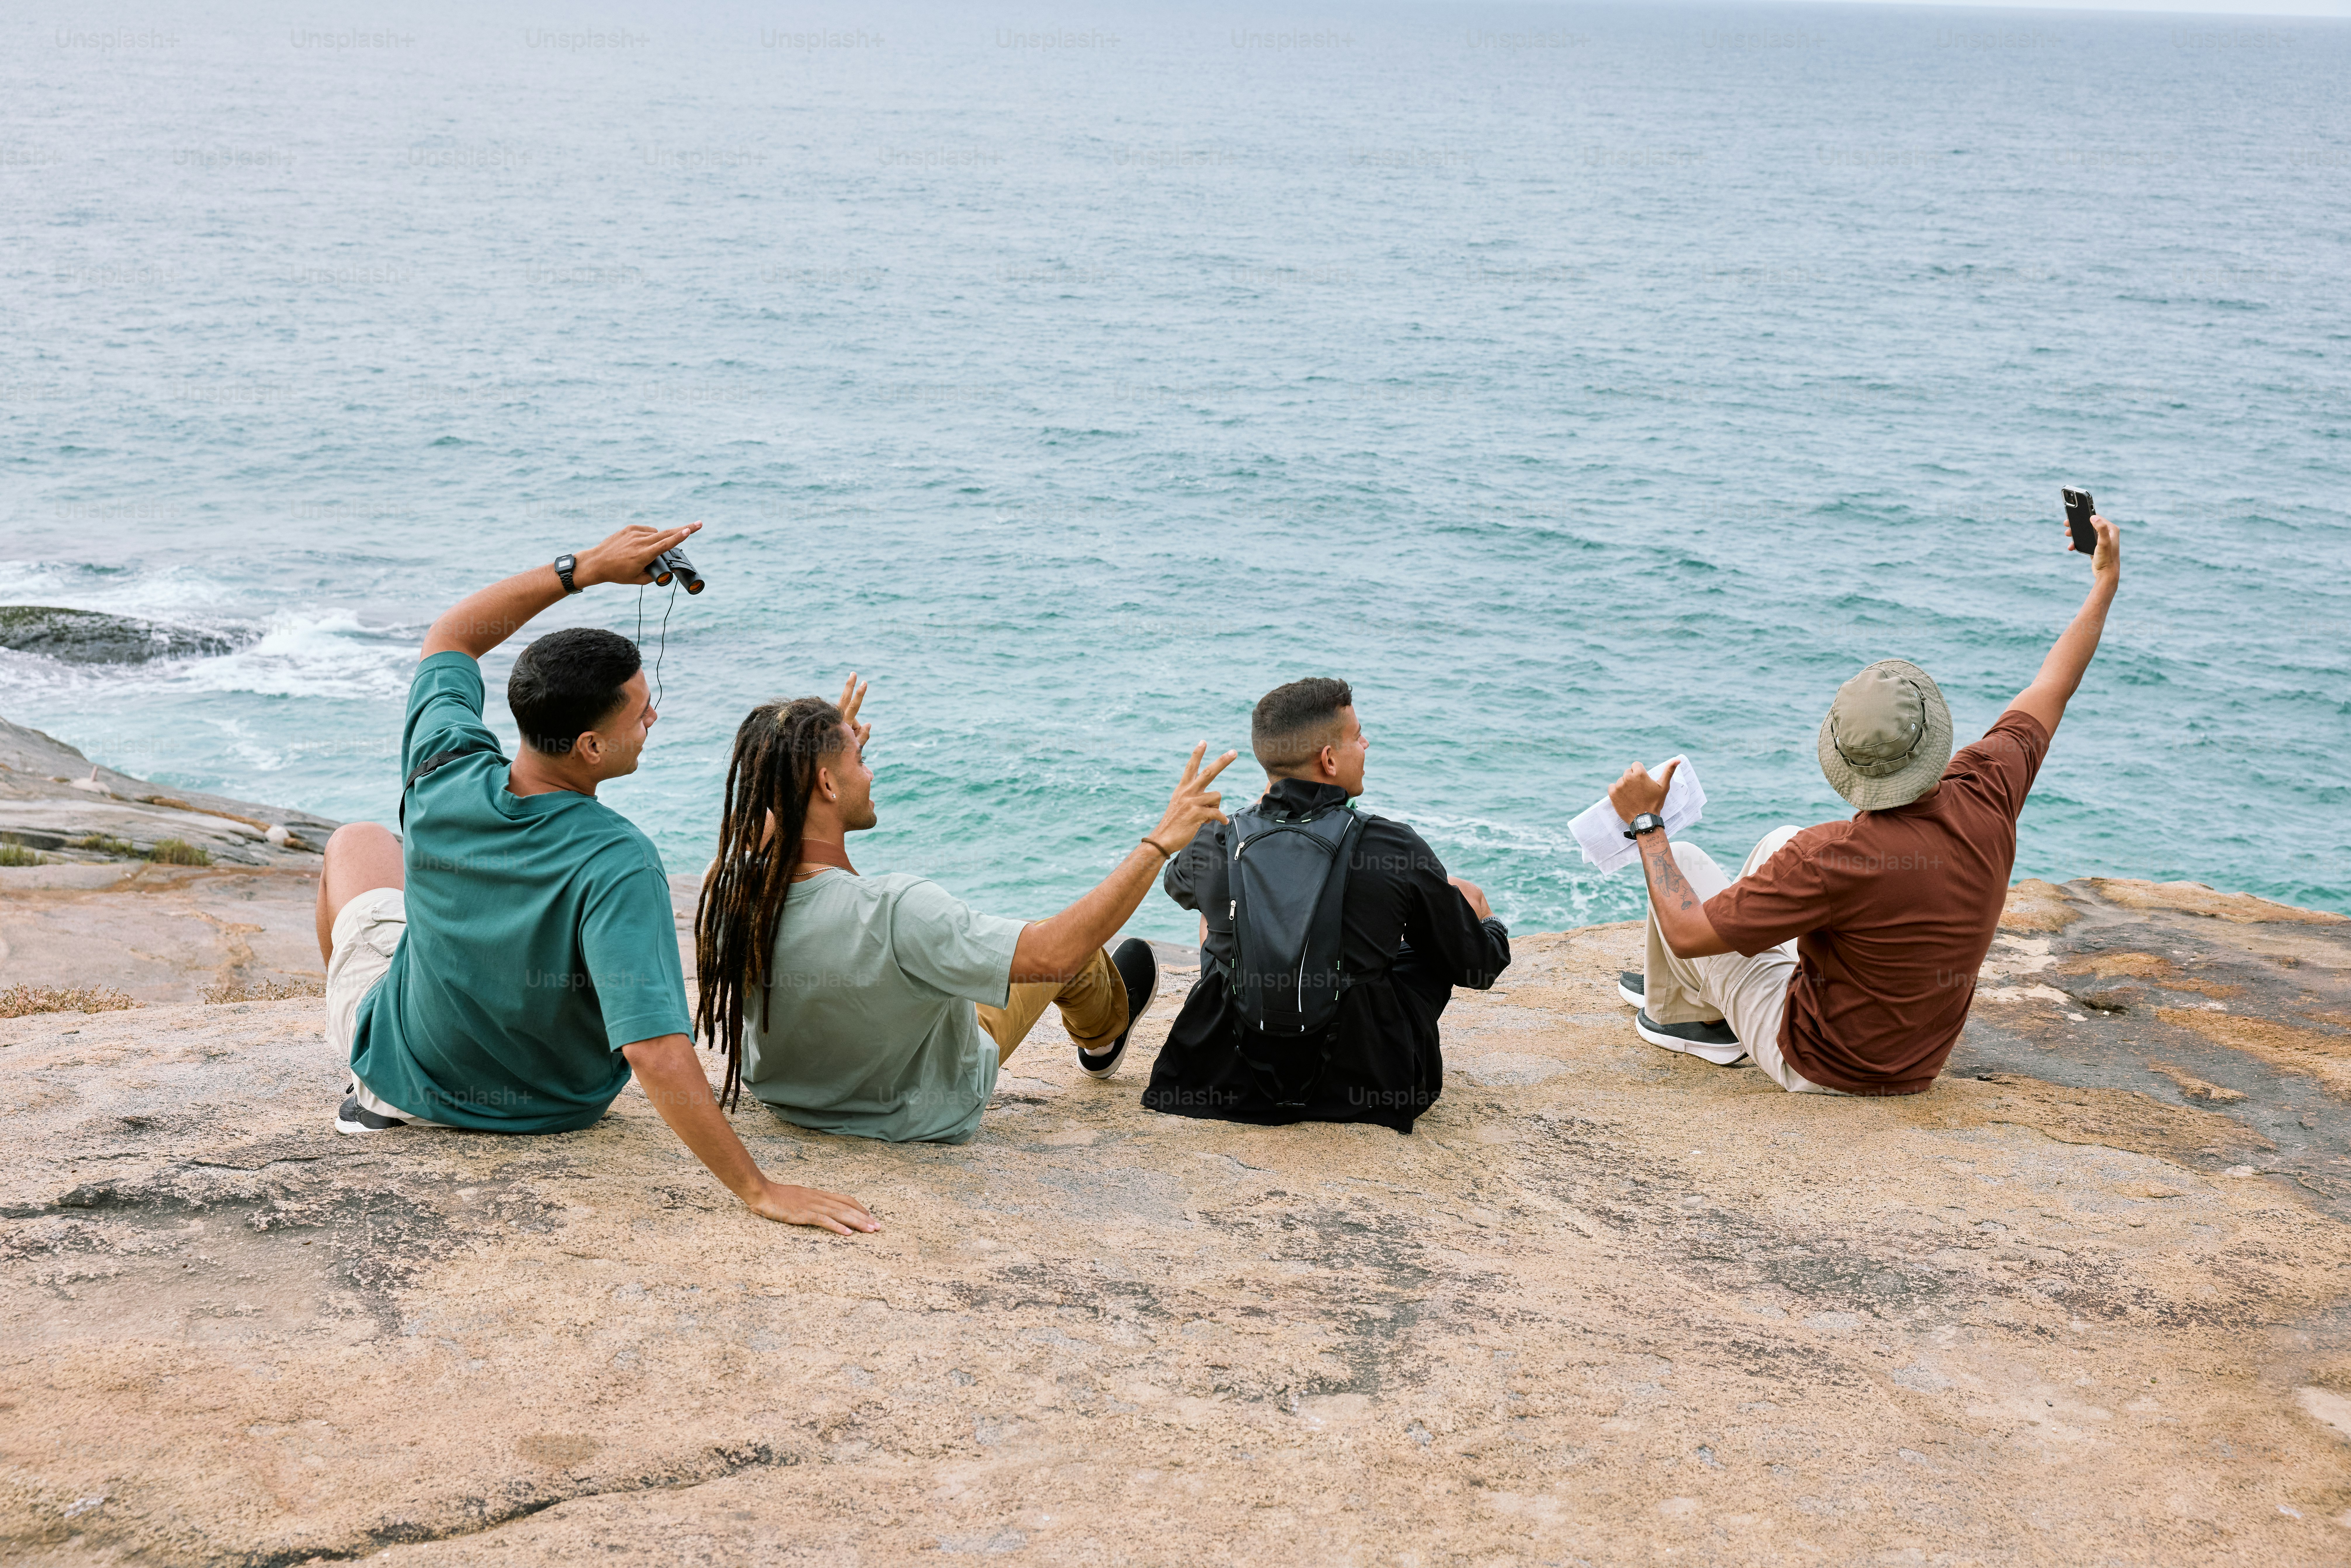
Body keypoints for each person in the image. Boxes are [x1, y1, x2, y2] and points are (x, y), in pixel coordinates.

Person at [314, 524, 877, 1236]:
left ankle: (369, 1084)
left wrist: (583, 569)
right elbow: (653, 1047)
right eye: (640, 710)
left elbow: (453, 638)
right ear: (590, 746)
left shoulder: (443, 766)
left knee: (355, 842)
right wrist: (757, 1188)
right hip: (549, 1105)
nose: (652, 715)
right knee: (366, 847)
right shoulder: (618, 860)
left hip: (407, 1073)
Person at [1611, 513, 2124, 1096]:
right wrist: (2104, 581)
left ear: (1844, 760)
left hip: (1818, 1063)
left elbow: (1684, 930)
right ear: (1931, 737)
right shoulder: (1989, 787)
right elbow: (2053, 685)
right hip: (1917, 1059)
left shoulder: (1836, 856)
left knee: (1690, 862)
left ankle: (1686, 1018)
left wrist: (1645, 824)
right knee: (1780, 838)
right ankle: (1695, 1000)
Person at [695, 681, 1238, 1144]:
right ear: (827, 785)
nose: (872, 774)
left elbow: (766, 834)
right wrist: (1160, 844)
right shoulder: (897, 909)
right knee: (1071, 952)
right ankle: (1103, 1039)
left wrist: (817, 761)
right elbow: (1052, 953)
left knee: (952, 959)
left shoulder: (729, 891)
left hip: (790, 1098)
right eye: (860, 761)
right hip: (919, 1111)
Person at [1142, 677, 1511, 1132]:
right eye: (1357, 735)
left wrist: (1253, 828)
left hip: (1219, 1078)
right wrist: (1486, 919)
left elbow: (1178, 884)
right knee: (1456, 899)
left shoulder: (1218, 839)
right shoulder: (1392, 845)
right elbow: (1479, 967)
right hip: (1368, 1085)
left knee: (1217, 906)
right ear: (1330, 760)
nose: (1366, 743)